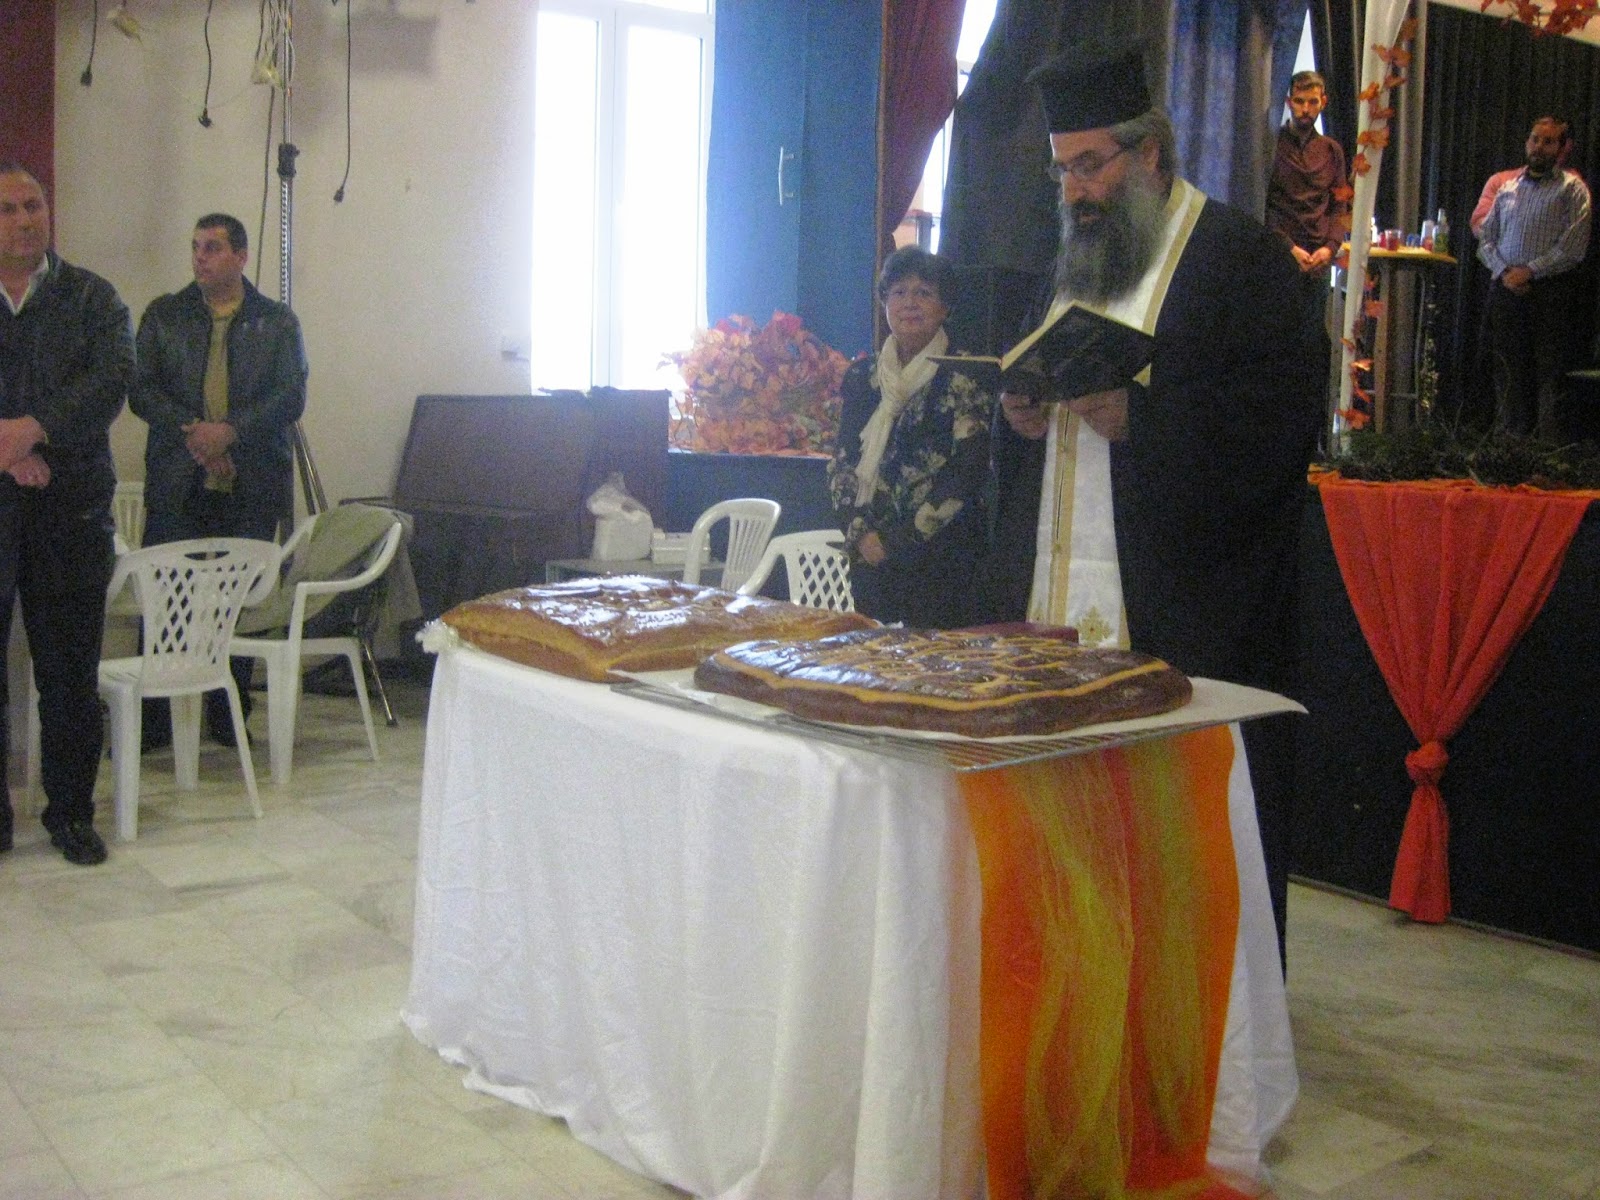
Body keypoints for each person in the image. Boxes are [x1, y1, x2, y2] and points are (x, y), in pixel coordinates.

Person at [986, 41, 1323, 961]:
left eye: (1090, 165)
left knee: (1180, 855)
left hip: (1186, 609)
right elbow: (1037, 393)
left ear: (1150, 153)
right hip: (1059, 606)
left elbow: (1282, 421)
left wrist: (1149, 420)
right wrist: (1020, 418)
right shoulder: (1071, 263)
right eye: (1062, 170)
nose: (1075, 192)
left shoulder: (1241, 261)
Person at [0, 162, 134, 865]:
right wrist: (7, 448)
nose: (26, 220)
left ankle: (71, 814)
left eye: (34, 205)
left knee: (69, 676)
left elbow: (110, 381)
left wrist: (36, 428)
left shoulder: (91, 298)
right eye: (8, 209)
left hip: (70, 511)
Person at [132, 213, 307, 744]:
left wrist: (230, 434)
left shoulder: (277, 322)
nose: (200, 257)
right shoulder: (165, 315)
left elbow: (289, 396)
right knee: (166, 597)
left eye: (212, 247)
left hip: (250, 481)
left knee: (235, 603)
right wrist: (198, 437)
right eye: (195, 247)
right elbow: (141, 390)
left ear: (241, 256)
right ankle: (154, 720)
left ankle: (229, 714)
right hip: (178, 478)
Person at [828, 246, 994, 628]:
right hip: (870, 560)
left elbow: (967, 472)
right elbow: (842, 463)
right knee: (871, 659)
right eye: (899, 292)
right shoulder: (862, 377)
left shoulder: (966, 374)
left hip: (943, 562)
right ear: (884, 302)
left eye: (924, 293)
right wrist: (861, 534)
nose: (910, 303)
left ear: (945, 307)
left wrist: (895, 541)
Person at [1475, 115, 1591, 440]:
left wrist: (1530, 271)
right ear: (1527, 142)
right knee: (1506, 368)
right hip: (1505, 289)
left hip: (1550, 292)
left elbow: (1573, 247)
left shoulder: (1572, 189)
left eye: (1548, 142)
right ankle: (1508, 444)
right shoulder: (1508, 189)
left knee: (1547, 371)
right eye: (1535, 139)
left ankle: (1546, 452)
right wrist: (1505, 272)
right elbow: (1485, 241)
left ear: (1562, 148)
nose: (1539, 147)